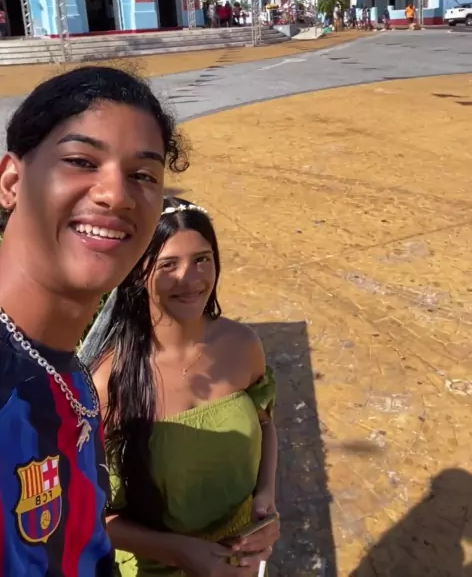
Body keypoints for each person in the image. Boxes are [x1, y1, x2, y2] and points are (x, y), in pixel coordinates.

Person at [0, 66, 187, 576]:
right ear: (12, 181)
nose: (116, 195)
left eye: (143, 175)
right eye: (82, 161)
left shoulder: (71, 373)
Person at [83, 198, 280, 577]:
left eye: (202, 259)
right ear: (138, 274)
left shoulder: (243, 345)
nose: (191, 279)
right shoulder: (108, 382)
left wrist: (266, 501)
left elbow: (266, 423)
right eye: (168, 265)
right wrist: (179, 552)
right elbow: (89, 513)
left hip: (241, 561)